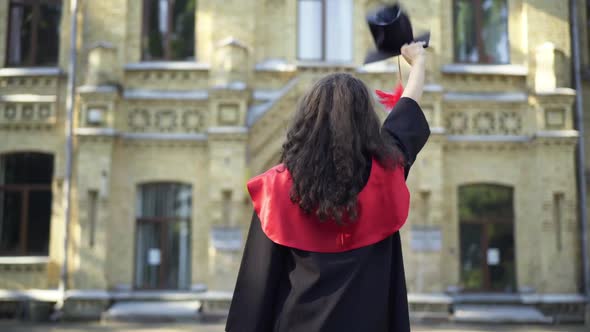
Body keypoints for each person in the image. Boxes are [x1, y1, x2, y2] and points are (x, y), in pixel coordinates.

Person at [226, 41, 430, 332]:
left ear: (307, 121)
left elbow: (254, 294)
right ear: (366, 124)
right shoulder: (385, 178)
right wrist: (419, 62)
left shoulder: (277, 189)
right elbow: (404, 121)